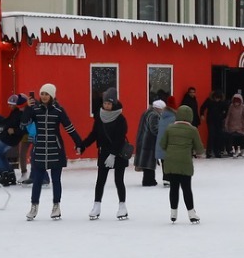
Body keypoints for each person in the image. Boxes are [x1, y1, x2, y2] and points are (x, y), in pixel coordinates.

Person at [25, 82, 85, 221]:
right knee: (37, 180)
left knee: (56, 180)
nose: (44, 96)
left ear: (52, 95)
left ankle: (56, 206)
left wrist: (79, 143)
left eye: (47, 94)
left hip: (55, 150)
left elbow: (69, 127)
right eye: (42, 94)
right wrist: (28, 108)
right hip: (39, 149)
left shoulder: (59, 111)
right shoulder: (35, 109)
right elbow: (24, 123)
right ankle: (34, 206)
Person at [79, 87, 130, 220]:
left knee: (119, 180)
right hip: (104, 152)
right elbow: (94, 134)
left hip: (118, 153)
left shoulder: (120, 119)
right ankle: (96, 206)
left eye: (109, 103)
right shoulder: (99, 115)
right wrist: (83, 145)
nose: (106, 105)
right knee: (100, 180)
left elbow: (120, 138)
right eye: (105, 103)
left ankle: (122, 206)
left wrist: (113, 154)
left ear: (114, 104)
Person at [158, 103, 205, 223]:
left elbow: (162, 144)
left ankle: (173, 213)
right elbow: (199, 149)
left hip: (170, 162)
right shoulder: (192, 130)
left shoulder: (169, 128)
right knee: (186, 188)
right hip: (185, 163)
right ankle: (191, 214)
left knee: (173, 188)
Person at [0, 93, 29, 186]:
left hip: (9, 138)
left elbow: (24, 128)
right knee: (1, 155)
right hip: (9, 138)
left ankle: (4, 175)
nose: (9, 106)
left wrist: (14, 131)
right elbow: (8, 121)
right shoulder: (15, 112)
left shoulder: (20, 113)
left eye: (11, 104)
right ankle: (10, 175)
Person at [134, 98, 168, 186]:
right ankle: (149, 181)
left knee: (146, 162)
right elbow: (155, 129)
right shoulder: (154, 115)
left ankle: (149, 180)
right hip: (149, 142)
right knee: (149, 162)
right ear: (159, 108)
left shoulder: (146, 112)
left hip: (143, 140)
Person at [223, 91, 244, 157]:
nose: (236, 103)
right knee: (234, 139)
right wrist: (226, 123)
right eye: (235, 102)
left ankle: (243, 150)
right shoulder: (231, 106)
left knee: (242, 139)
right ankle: (236, 150)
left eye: (237, 102)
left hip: (241, 125)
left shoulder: (243, 107)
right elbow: (228, 115)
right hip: (232, 125)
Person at [203, 89, 227, 158]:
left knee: (219, 136)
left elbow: (226, 110)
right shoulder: (209, 101)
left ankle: (217, 151)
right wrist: (202, 114)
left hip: (219, 121)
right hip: (210, 121)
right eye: (216, 98)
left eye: (218, 98)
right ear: (214, 97)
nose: (217, 99)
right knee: (211, 135)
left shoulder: (222, 102)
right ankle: (209, 151)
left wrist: (223, 116)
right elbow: (203, 107)